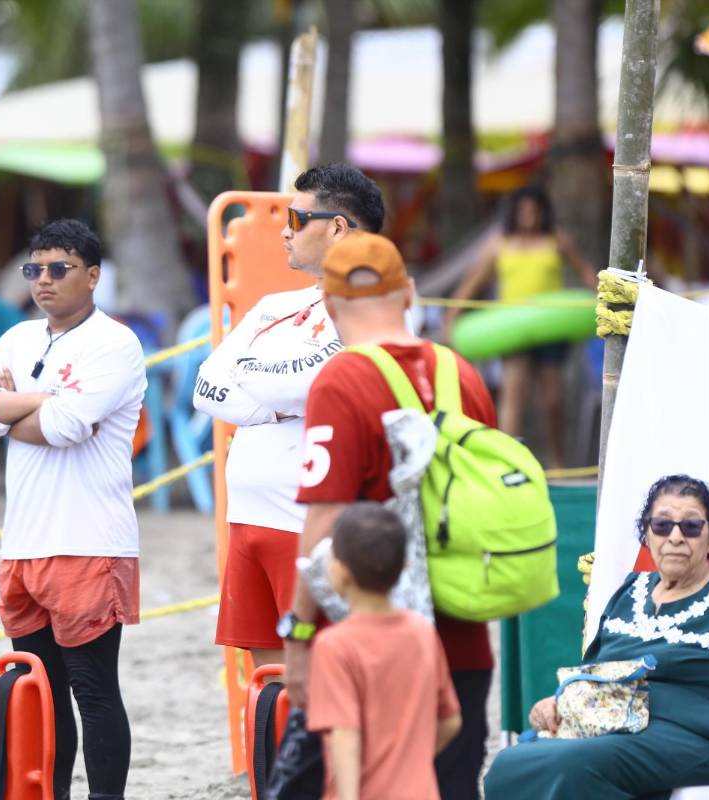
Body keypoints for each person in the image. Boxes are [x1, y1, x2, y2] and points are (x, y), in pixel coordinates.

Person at [287, 232, 498, 800]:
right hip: (463, 638)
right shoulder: (463, 373)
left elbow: (324, 522)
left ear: (329, 304)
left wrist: (299, 631)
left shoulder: (341, 379)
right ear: (409, 293)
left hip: (367, 648)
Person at [0, 219, 145, 800]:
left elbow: (65, 428)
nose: (43, 280)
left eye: (58, 268)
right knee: (41, 689)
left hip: (89, 541)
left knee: (93, 690)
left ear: (92, 276)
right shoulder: (16, 338)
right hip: (24, 543)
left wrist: (8, 408)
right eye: (33, 269)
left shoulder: (115, 342)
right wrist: (41, 401)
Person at [194, 163, 385, 669]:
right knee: (268, 687)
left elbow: (312, 378)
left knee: (316, 684)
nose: (283, 230)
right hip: (248, 515)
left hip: (308, 519)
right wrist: (278, 402)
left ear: (339, 227)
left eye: (297, 219)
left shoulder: (372, 302)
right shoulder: (275, 304)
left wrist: (256, 386)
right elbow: (205, 385)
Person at [484, 474, 709, 799]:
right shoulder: (631, 591)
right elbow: (594, 673)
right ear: (647, 534)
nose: (675, 537)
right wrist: (556, 702)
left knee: (573, 766)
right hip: (609, 721)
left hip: (688, 732)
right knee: (508, 765)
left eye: (691, 526)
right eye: (662, 525)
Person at [306, 502, 462, 800]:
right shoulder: (422, 632)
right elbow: (450, 721)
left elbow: (345, 735)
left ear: (339, 570)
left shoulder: (334, 646)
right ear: (405, 565)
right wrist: (407, 765)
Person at [444, 186, 597, 469]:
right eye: (523, 210)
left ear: (542, 212)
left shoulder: (555, 240)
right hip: (512, 328)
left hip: (550, 325)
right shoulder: (500, 244)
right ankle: (506, 460)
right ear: (515, 212)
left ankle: (557, 462)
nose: (529, 215)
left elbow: (584, 270)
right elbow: (473, 282)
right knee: (513, 396)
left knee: (552, 399)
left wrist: (604, 296)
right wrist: (452, 317)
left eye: (534, 210)